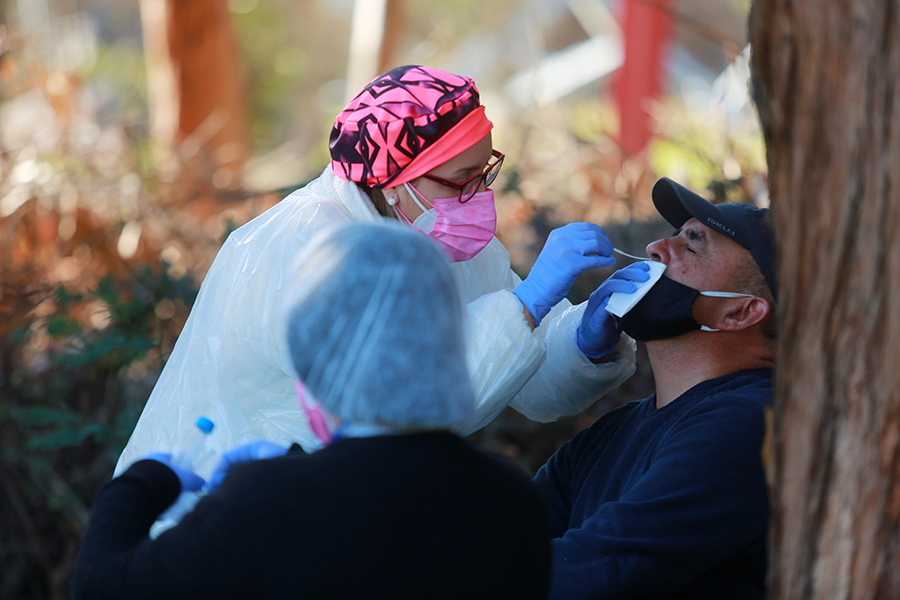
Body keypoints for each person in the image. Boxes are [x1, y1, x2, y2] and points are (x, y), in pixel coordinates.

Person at [115, 64, 640, 477]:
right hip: (219, 512)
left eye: (485, 173)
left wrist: (582, 341)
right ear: (394, 180)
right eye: (460, 179)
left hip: (333, 501)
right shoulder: (307, 246)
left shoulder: (433, 225)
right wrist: (528, 305)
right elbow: (409, 408)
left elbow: (522, 380)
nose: (477, 196)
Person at [72, 221, 553, 600]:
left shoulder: (269, 505)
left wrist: (146, 480)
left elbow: (105, 586)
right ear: (450, 337)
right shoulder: (514, 501)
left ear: (314, 351)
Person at [533, 177, 776, 599]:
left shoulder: (753, 423)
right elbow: (502, 541)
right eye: (674, 236)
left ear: (739, 312)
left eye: (692, 245)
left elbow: (595, 570)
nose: (656, 248)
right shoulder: (612, 434)